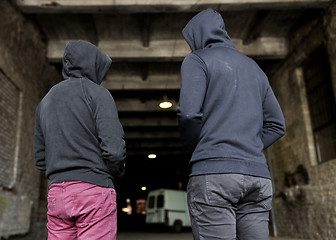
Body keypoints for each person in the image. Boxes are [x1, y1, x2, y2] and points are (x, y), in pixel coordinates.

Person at [177, 9, 286, 240]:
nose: (189, 48)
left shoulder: (197, 59)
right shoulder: (255, 68)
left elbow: (188, 115)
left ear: (198, 37)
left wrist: (197, 151)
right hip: (257, 177)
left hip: (214, 176)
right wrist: (251, 146)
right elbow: (277, 125)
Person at [34, 40, 126, 240]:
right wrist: (113, 172)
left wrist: (62, 174)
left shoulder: (46, 101)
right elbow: (115, 150)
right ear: (93, 64)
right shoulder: (98, 94)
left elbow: (40, 158)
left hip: (57, 193)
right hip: (94, 190)